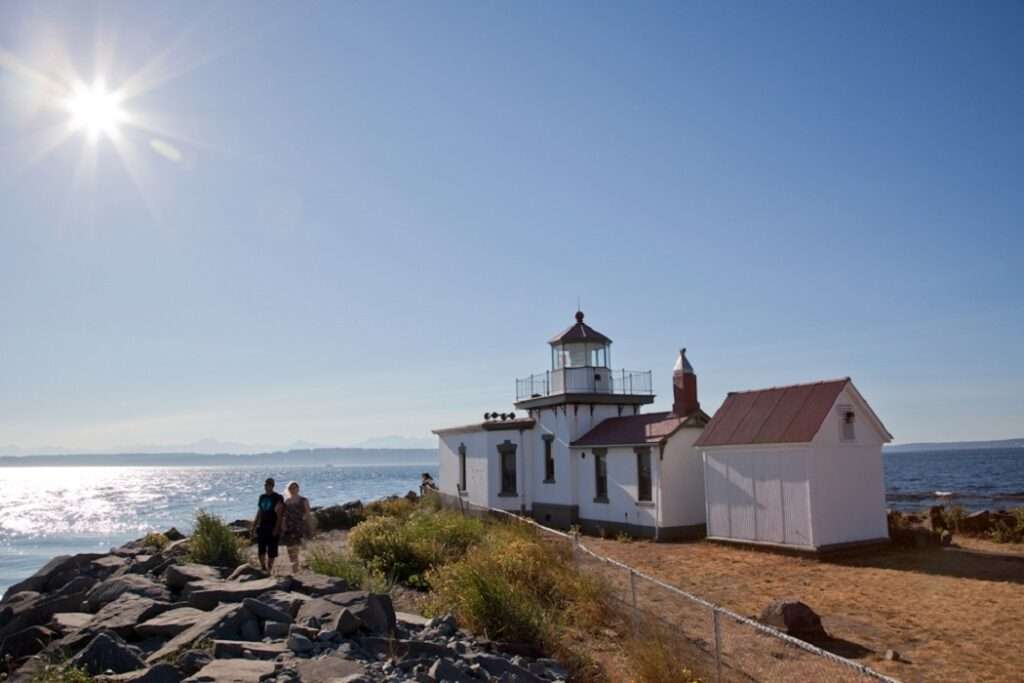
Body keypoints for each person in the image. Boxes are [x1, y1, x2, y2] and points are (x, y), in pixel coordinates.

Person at [252, 478, 284, 572]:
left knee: (272, 550)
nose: (267, 486)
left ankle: (269, 568)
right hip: (262, 526)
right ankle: (263, 567)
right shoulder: (262, 497)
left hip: (272, 526)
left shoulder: (278, 497)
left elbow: (280, 514)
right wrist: (254, 526)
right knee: (261, 549)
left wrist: (277, 528)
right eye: (266, 484)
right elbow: (259, 511)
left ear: (273, 486)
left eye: (269, 484)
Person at [280, 480, 312, 573]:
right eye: (291, 488)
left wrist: (310, 527)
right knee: (289, 549)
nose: (293, 489)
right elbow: (283, 516)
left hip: (299, 526)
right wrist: (283, 527)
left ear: (298, 489)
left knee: (297, 548)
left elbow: (308, 515)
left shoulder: (303, 500)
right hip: (288, 528)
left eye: (295, 487)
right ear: (288, 489)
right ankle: (294, 569)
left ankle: (297, 567)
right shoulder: (286, 501)